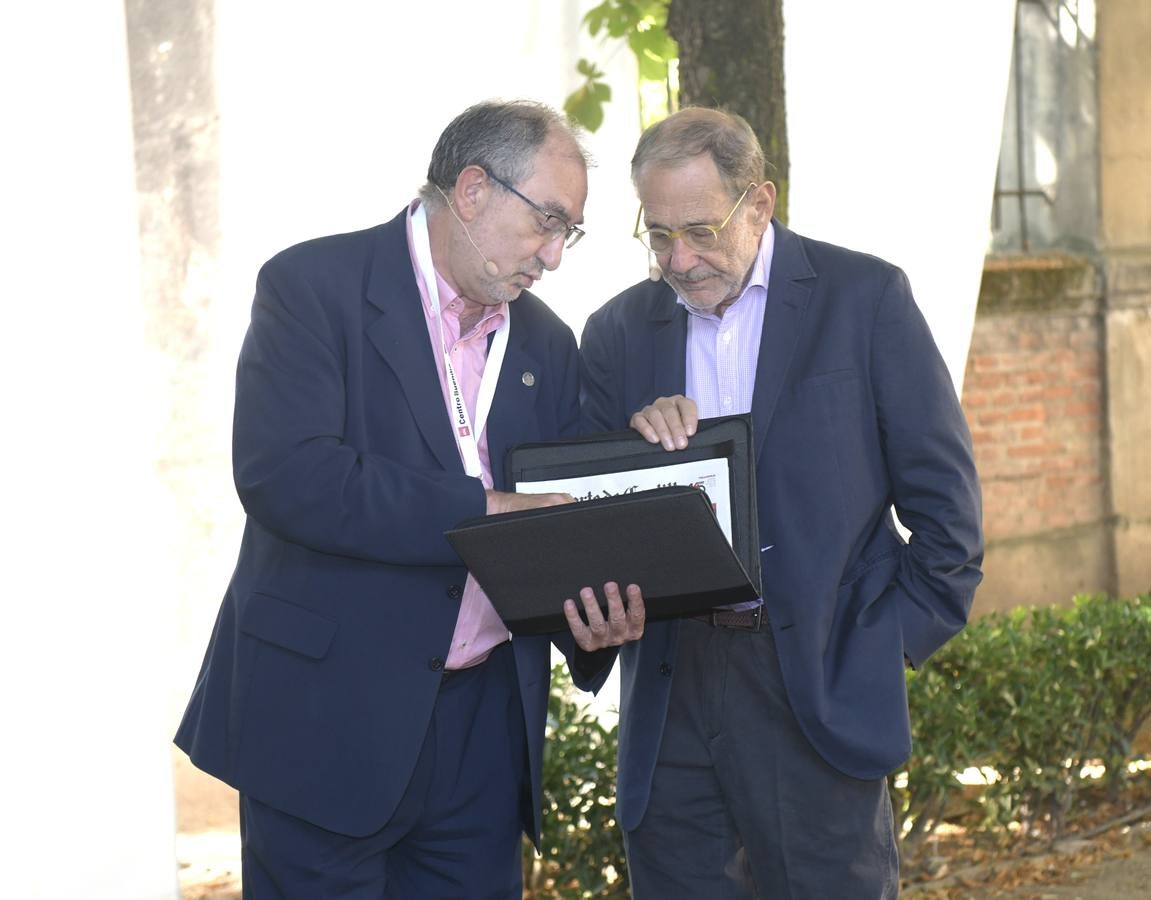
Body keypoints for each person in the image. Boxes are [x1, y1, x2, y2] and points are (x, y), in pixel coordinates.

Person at [175, 99, 645, 899]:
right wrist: (486, 510)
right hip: (327, 719)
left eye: (568, 233)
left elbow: (562, 516)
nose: (553, 256)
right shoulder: (313, 286)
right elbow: (288, 476)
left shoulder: (543, 341)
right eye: (546, 222)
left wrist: (595, 622)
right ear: (473, 189)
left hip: (482, 733)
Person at [579, 107, 983, 898]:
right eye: (657, 235)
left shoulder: (863, 298)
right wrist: (634, 451)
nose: (678, 259)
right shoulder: (616, 332)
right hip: (671, 684)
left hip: (818, 680)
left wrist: (876, 650)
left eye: (699, 231)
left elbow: (948, 519)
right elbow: (587, 520)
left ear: (758, 203)